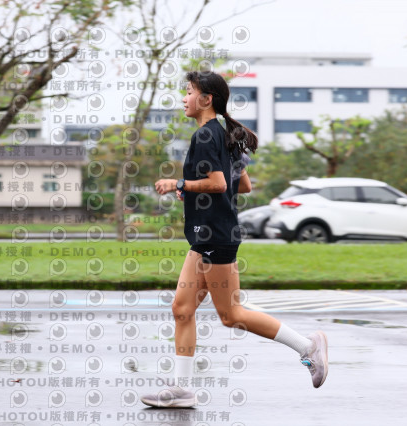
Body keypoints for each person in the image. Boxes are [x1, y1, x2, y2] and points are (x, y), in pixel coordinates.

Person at [141, 70, 328, 408]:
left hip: (216, 235)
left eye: (189, 92)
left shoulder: (206, 136)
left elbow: (219, 184)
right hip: (206, 235)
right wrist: (195, 190)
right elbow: (243, 184)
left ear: (206, 99)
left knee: (231, 314)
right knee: (182, 308)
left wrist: (179, 184)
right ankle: (182, 389)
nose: (184, 98)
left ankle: (307, 346)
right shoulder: (223, 134)